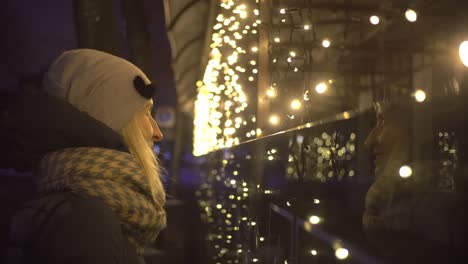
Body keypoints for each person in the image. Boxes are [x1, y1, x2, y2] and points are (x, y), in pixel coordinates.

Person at [3, 49, 167, 263]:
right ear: (109, 117)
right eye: (145, 113)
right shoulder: (87, 220)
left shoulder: (85, 207)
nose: (157, 132)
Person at [363, 98, 465, 263]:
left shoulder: (435, 212)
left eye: (384, 122)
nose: (369, 141)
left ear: (415, 131)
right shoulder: (392, 206)